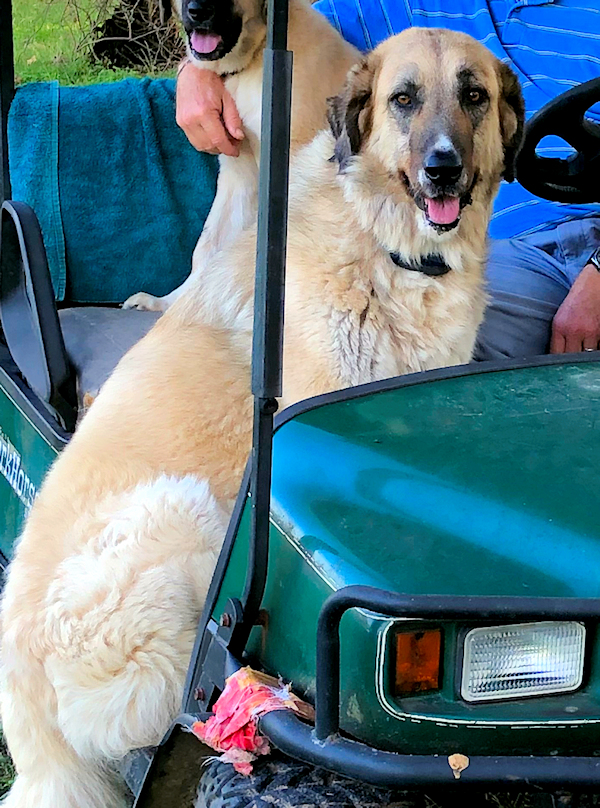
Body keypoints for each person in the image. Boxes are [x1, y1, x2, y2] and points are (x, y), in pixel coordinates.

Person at [175, 0, 600, 359]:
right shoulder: (383, 5)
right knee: (403, 342)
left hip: (588, 240)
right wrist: (195, 74)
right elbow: (270, 31)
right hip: (504, 254)